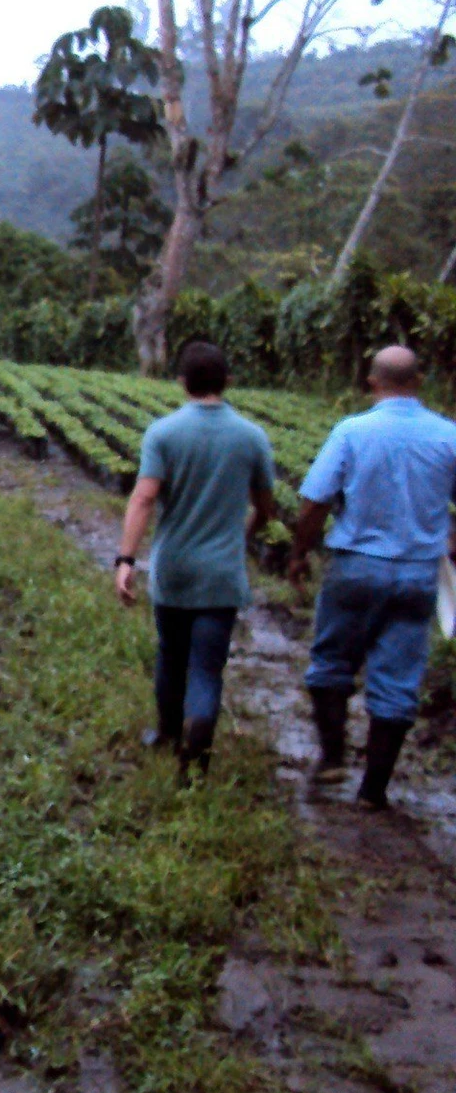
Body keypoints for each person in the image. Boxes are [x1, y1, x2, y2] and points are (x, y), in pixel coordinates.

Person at [288, 345, 456, 809]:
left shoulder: (352, 431)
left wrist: (300, 552)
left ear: (371, 382)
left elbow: (314, 502)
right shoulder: (449, 436)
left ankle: (333, 758)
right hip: (418, 575)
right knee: (398, 679)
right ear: (419, 380)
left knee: (331, 662)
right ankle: (373, 790)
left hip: (356, 567)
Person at [114, 341, 277, 772]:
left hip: (175, 567)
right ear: (228, 382)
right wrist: (245, 533)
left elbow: (144, 497)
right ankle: (200, 725)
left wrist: (125, 560)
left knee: (171, 652)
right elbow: (266, 506)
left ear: (182, 383)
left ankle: (167, 731)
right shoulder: (251, 436)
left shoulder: (163, 433)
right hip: (222, 572)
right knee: (207, 664)